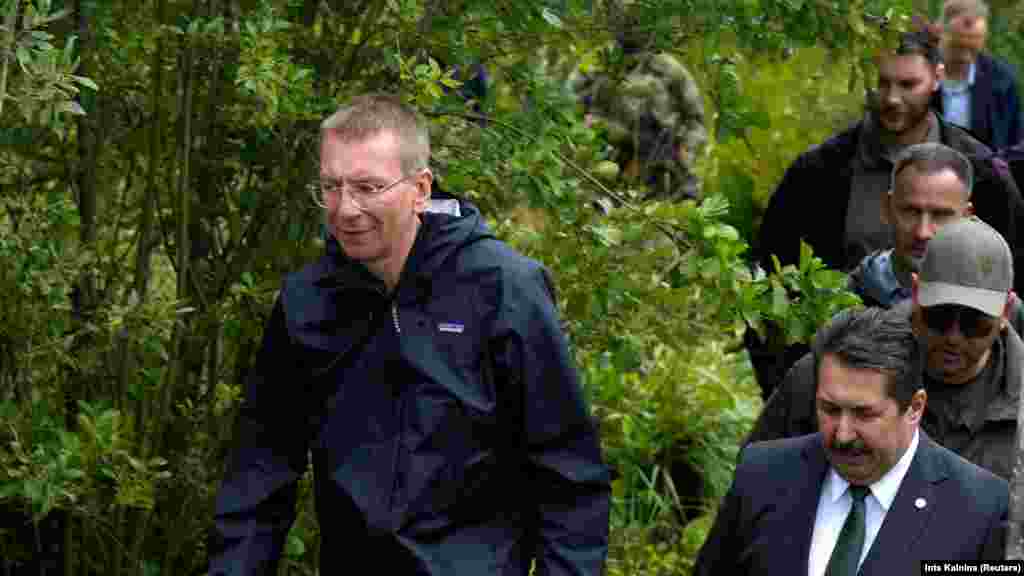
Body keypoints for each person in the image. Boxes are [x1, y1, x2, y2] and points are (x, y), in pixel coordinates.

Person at [208, 94, 611, 574]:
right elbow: (260, 473)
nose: (345, 209)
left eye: (368, 187)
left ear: (420, 189)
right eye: (331, 186)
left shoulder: (503, 290)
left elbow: (570, 479)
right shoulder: (307, 301)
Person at [750, 28, 1024, 399]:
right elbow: (769, 289)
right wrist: (796, 395)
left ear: (938, 78)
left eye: (908, 84)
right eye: (882, 83)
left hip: (966, 402)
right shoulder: (819, 174)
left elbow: (1015, 284)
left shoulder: (985, 176)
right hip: (847, 391)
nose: (892, 99)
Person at [694, 307, 1008, 575]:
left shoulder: (981, 509)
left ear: (914, 408)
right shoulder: (762, 475)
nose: (842, 434)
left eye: (864, 414)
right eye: (829, 409)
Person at [748, 217, 1024, 481]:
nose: (953, 337)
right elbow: (755, 483)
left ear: (1006, 312)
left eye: (974, 324)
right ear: (916, 293)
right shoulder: (832, 372)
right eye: (938, 318)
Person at [569, 5, 707, 202]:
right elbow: (565, 114)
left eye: (635, 17)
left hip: (662, 180)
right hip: (605, 174)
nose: (631, 24)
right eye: (624, 16)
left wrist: (684, 152)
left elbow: (696, 122)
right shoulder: (593, 64)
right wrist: (592, 136)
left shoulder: (670, 69)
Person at [934, 0, 1023, 149]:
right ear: (940, 32)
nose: (965, 56)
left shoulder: (1001, 81)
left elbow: (1014, 141)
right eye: (958, 46)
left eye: (973, 45)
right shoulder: (919, 71)